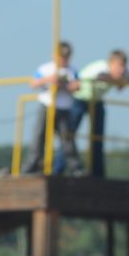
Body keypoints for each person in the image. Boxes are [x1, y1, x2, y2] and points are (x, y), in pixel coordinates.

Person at [71, 48, 129, 179]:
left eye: (123, 66)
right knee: (69, 135)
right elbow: (102, 77)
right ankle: (59, 169)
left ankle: (97, 174)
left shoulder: (125, 72)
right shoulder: (100, 67)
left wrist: (126, 80)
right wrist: (119, 81)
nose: (121, 69)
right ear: (110, 64)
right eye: (118, 66)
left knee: (98, 138)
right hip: (79, 99)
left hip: (96, 101)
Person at [28, 41, 83, 170]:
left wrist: (66, 85)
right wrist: (49, 80)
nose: (64, 59)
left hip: (64, 108)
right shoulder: (46, 68)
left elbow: (77, 85)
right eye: (62, 56)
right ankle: (34, 164)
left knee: (67, 139)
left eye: (66, 56)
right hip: (47, 106)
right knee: (39, 136)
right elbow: (33, 83)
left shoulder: (72, 69)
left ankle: (75, 166)